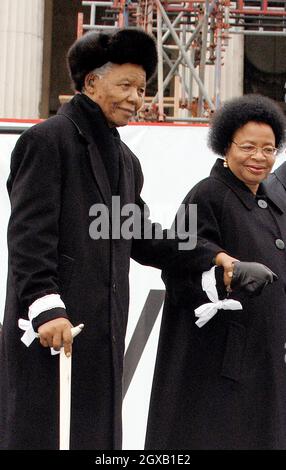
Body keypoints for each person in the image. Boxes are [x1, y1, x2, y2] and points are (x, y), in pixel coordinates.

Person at [0, 27, 233, 451]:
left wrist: (210, 257)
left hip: (102, 331)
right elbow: (29, 234)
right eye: (124, 85)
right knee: (44, 434)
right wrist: (44, 305)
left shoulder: (125, 159)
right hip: (53, 328)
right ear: (91, 82)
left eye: (141, 89)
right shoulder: (47, 141)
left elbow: (140, 235)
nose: (135, 97)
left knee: (95, 438)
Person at [145, 94, 286, 450]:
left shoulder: (269, 205)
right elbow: (179, 257)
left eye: (268, 149)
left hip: (262, 357)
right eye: (249, 147)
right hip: (218, 361)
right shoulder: (208, 194)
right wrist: (225, 273)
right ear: (226, 146)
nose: (259, 158)